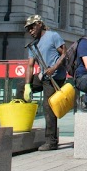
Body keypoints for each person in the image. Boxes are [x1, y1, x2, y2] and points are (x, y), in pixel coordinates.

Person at [23, 15, 67, 151]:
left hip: (55, 77)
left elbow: (65, 54)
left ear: (40, 24)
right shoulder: (33, 45)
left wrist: (53, 68)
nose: (30, 31)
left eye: (32, 27)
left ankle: (51, 141)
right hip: (44, 76)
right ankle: (23, 124)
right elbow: (30, 66)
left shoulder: (53, 36)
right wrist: (27, 86)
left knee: (48, 106)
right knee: (19, 89)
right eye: (28, 29)